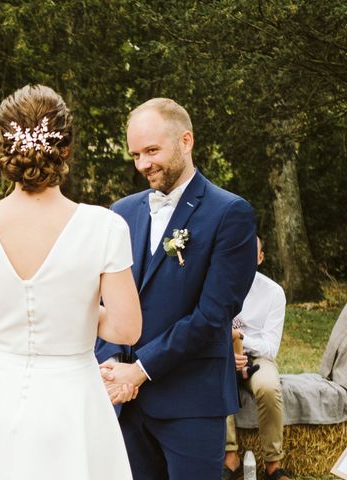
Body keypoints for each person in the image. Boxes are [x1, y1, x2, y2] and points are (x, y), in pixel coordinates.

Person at [0, 84, 142, 480]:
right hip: (73, 403)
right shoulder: (104, 226)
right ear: (65, 149)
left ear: (3, 145)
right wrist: (76, 314)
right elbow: (126, 327)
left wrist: (1, 316)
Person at [95, 98, 257, 479]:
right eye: (135, 154)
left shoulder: (230, 213)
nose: (142, 164)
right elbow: (104, 299)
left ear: (186, 141)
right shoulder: (121, 212)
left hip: (192, 402)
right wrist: (114, 365)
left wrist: (142, 369)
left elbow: (212, 315)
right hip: (126, 402)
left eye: (152, 150)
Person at [224, 236, 292, 480]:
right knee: (214, 381)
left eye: (251, 253)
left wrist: (239, 337)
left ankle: (273, 464)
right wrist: (228, 347)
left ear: (260, 258)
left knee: (269, 387)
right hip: (220, 354)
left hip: (258, 357)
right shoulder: (218, 284)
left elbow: (270, 348)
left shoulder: (273, 292)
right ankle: (230, 457)